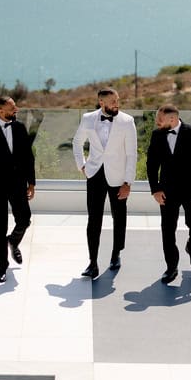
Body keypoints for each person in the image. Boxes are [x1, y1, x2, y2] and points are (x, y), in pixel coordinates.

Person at [72, 87, 137, 279]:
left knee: (119, 217)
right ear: (101, 102)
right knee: (94, 220)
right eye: (113, 101)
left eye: (118, 100)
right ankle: (93, 263)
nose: (117, 104)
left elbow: (131, 154)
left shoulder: (127, 121)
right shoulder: (88, 118)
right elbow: (77, 142)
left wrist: (128, 182)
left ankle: (116, 253)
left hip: (118, 178)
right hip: (94, 175)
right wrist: (82, 166)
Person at [146, 104, 191, 284]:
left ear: (172, 119)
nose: (157, 122)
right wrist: (155, 189)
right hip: (167, 191)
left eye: (160, 119)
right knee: (167, 230)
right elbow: (151, 165)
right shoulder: (157, 135)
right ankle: (171, 267)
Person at [0, 96, 36, 283]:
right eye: (12, 108)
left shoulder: (20, 128)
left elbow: (29, 157)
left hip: (19, 184)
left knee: (25, 219)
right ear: (1, 111)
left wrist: (31, 182)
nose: (16, 110)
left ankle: (13, 241)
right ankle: (2, 266)